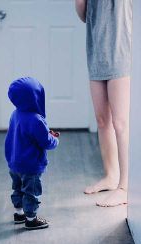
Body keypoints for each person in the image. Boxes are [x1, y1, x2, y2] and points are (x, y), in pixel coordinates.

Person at [75, 0, 132, 207]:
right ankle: (111, 176)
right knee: (102, 120)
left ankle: (125, 187)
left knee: (120, 123)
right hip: (97, 52)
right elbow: (83, 16)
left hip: (121, 52)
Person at [5, 77, 59, 229]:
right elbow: (46, 142)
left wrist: (46, 133)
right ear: (35, 97)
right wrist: (54, 139)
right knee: (31, 191)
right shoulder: (36, 119)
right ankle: (31, 219)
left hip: (14, 162)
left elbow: (21, 136)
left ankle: (19, 213)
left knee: (17, 188)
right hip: (30, 165)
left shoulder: (15, 114)